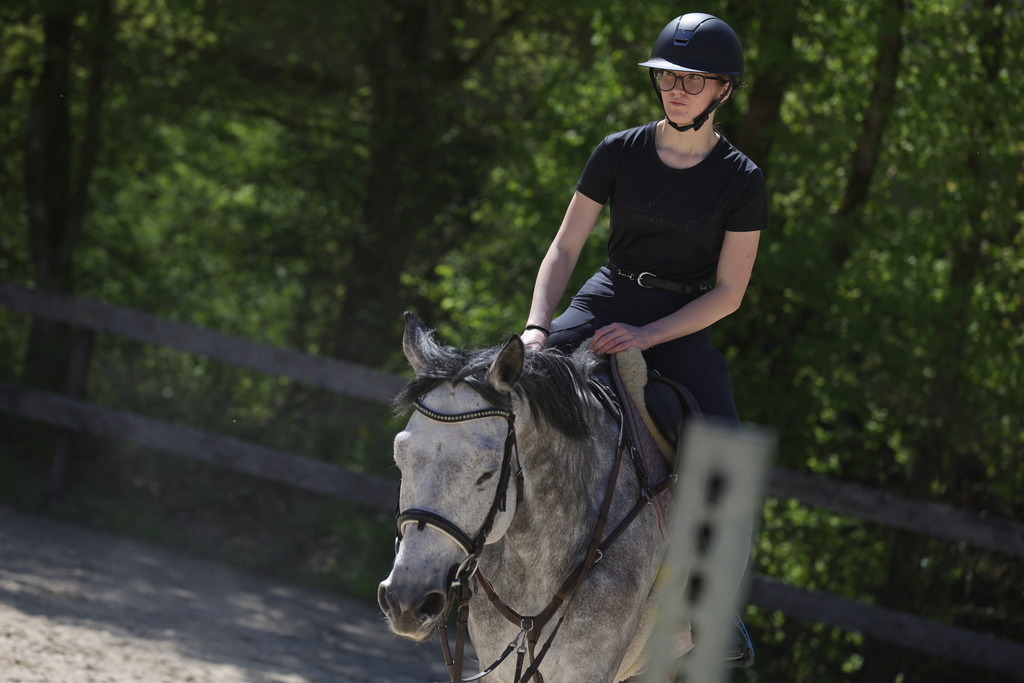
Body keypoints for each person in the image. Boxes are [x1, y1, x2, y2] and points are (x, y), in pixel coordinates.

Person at [521, 12, 767, 426]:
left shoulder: (743, 179)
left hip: (681, 318)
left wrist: (648, 335)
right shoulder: (617, 151)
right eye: (667, 76)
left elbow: (729, 293)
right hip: (606, 296)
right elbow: (565, 248)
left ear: (724, 89)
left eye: (693, 80)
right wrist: (536, 328)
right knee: (511, 377)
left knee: (722, 440)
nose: (676, 90)